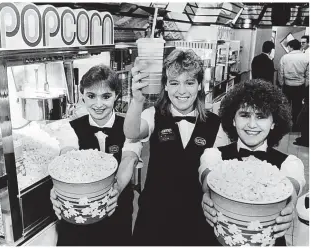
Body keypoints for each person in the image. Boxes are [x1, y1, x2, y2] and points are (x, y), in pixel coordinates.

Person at [124, 49, 227, 245]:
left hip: (197, 220)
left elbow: (219, 178)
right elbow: (132, 132)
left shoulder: (216, 124)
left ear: (199, 86)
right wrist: (137, 100)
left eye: (189, 83)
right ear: (165, 86)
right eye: (174, 83)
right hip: (155, 219)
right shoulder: (152, 115)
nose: (181, 91)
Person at [199, 79, 306, 246]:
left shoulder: (291, 163)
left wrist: (289, 207)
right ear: (233, 120)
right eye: (244, 115)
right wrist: (208, 196)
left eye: (261, 116)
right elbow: (208, 182)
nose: (252, 124)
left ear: (274, 122)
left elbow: (291, 192)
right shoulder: (213, 155)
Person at [50, 65, 142, 246]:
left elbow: (128, 159)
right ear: (82, 95)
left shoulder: (131, 126)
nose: (98, 104)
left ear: (116, 96)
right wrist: (60, 189)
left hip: (116, 216)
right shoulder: (72, 127)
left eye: (106, 96)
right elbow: (67, 156)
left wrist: (116, 189)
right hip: (77, 223)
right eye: (91, 96)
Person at [278, 39, 309, 131]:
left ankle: (285, 125)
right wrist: (305, 85)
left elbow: (281, 73)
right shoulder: (306, 57)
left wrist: (281, 84)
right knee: (298, 106)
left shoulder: (284, 57)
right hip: (300, 86)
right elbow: (308, 74)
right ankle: (296, 126)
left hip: (287, 85)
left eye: (288, 47)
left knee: (286, 105)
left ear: (291, 47)